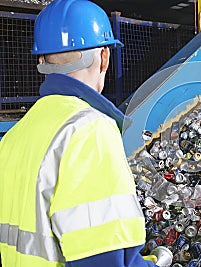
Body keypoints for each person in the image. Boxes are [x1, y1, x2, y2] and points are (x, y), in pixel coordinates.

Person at [0, 0, 172, 266]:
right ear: (104, 57)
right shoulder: (89, 130)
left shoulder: (16, 135)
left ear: (42, 60)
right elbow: (102, 257)